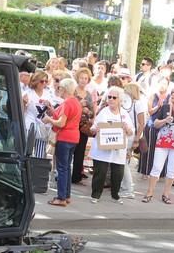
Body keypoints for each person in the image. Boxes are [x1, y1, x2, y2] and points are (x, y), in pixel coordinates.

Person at [141, 87, 174, 204]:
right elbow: (155, 123)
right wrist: (165, 120)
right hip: (163, 141)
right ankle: (149, 193)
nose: (173, 95)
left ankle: (166, 194)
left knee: (172, 169)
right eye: (172, 93)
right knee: (157, 167)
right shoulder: (165, 108)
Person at [89, 86, 134, 203]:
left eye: (114, 97)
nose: (111, 99)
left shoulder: (124, 114)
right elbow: (93, 128)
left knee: (118, 173)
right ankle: (95, 195)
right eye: (109, 97)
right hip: (102, 149)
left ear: (120, 99)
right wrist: (96, 129)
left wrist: (127, 128)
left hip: (118, 149)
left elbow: (131, 131)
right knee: (100, 172)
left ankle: (115, 195)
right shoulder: (103, 112)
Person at [44, 78, 81, 206]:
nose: (58, 89)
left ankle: (61, 198)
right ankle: (67, 195)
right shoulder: (75, 102)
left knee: (61, 168)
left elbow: (61, 123)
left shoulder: (66, 103)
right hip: (74, 138)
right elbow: (64, 118)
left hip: (64, 138)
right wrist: (52, 110)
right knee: (66, 167)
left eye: (60, 87)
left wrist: (49, 119)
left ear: (64, 89)